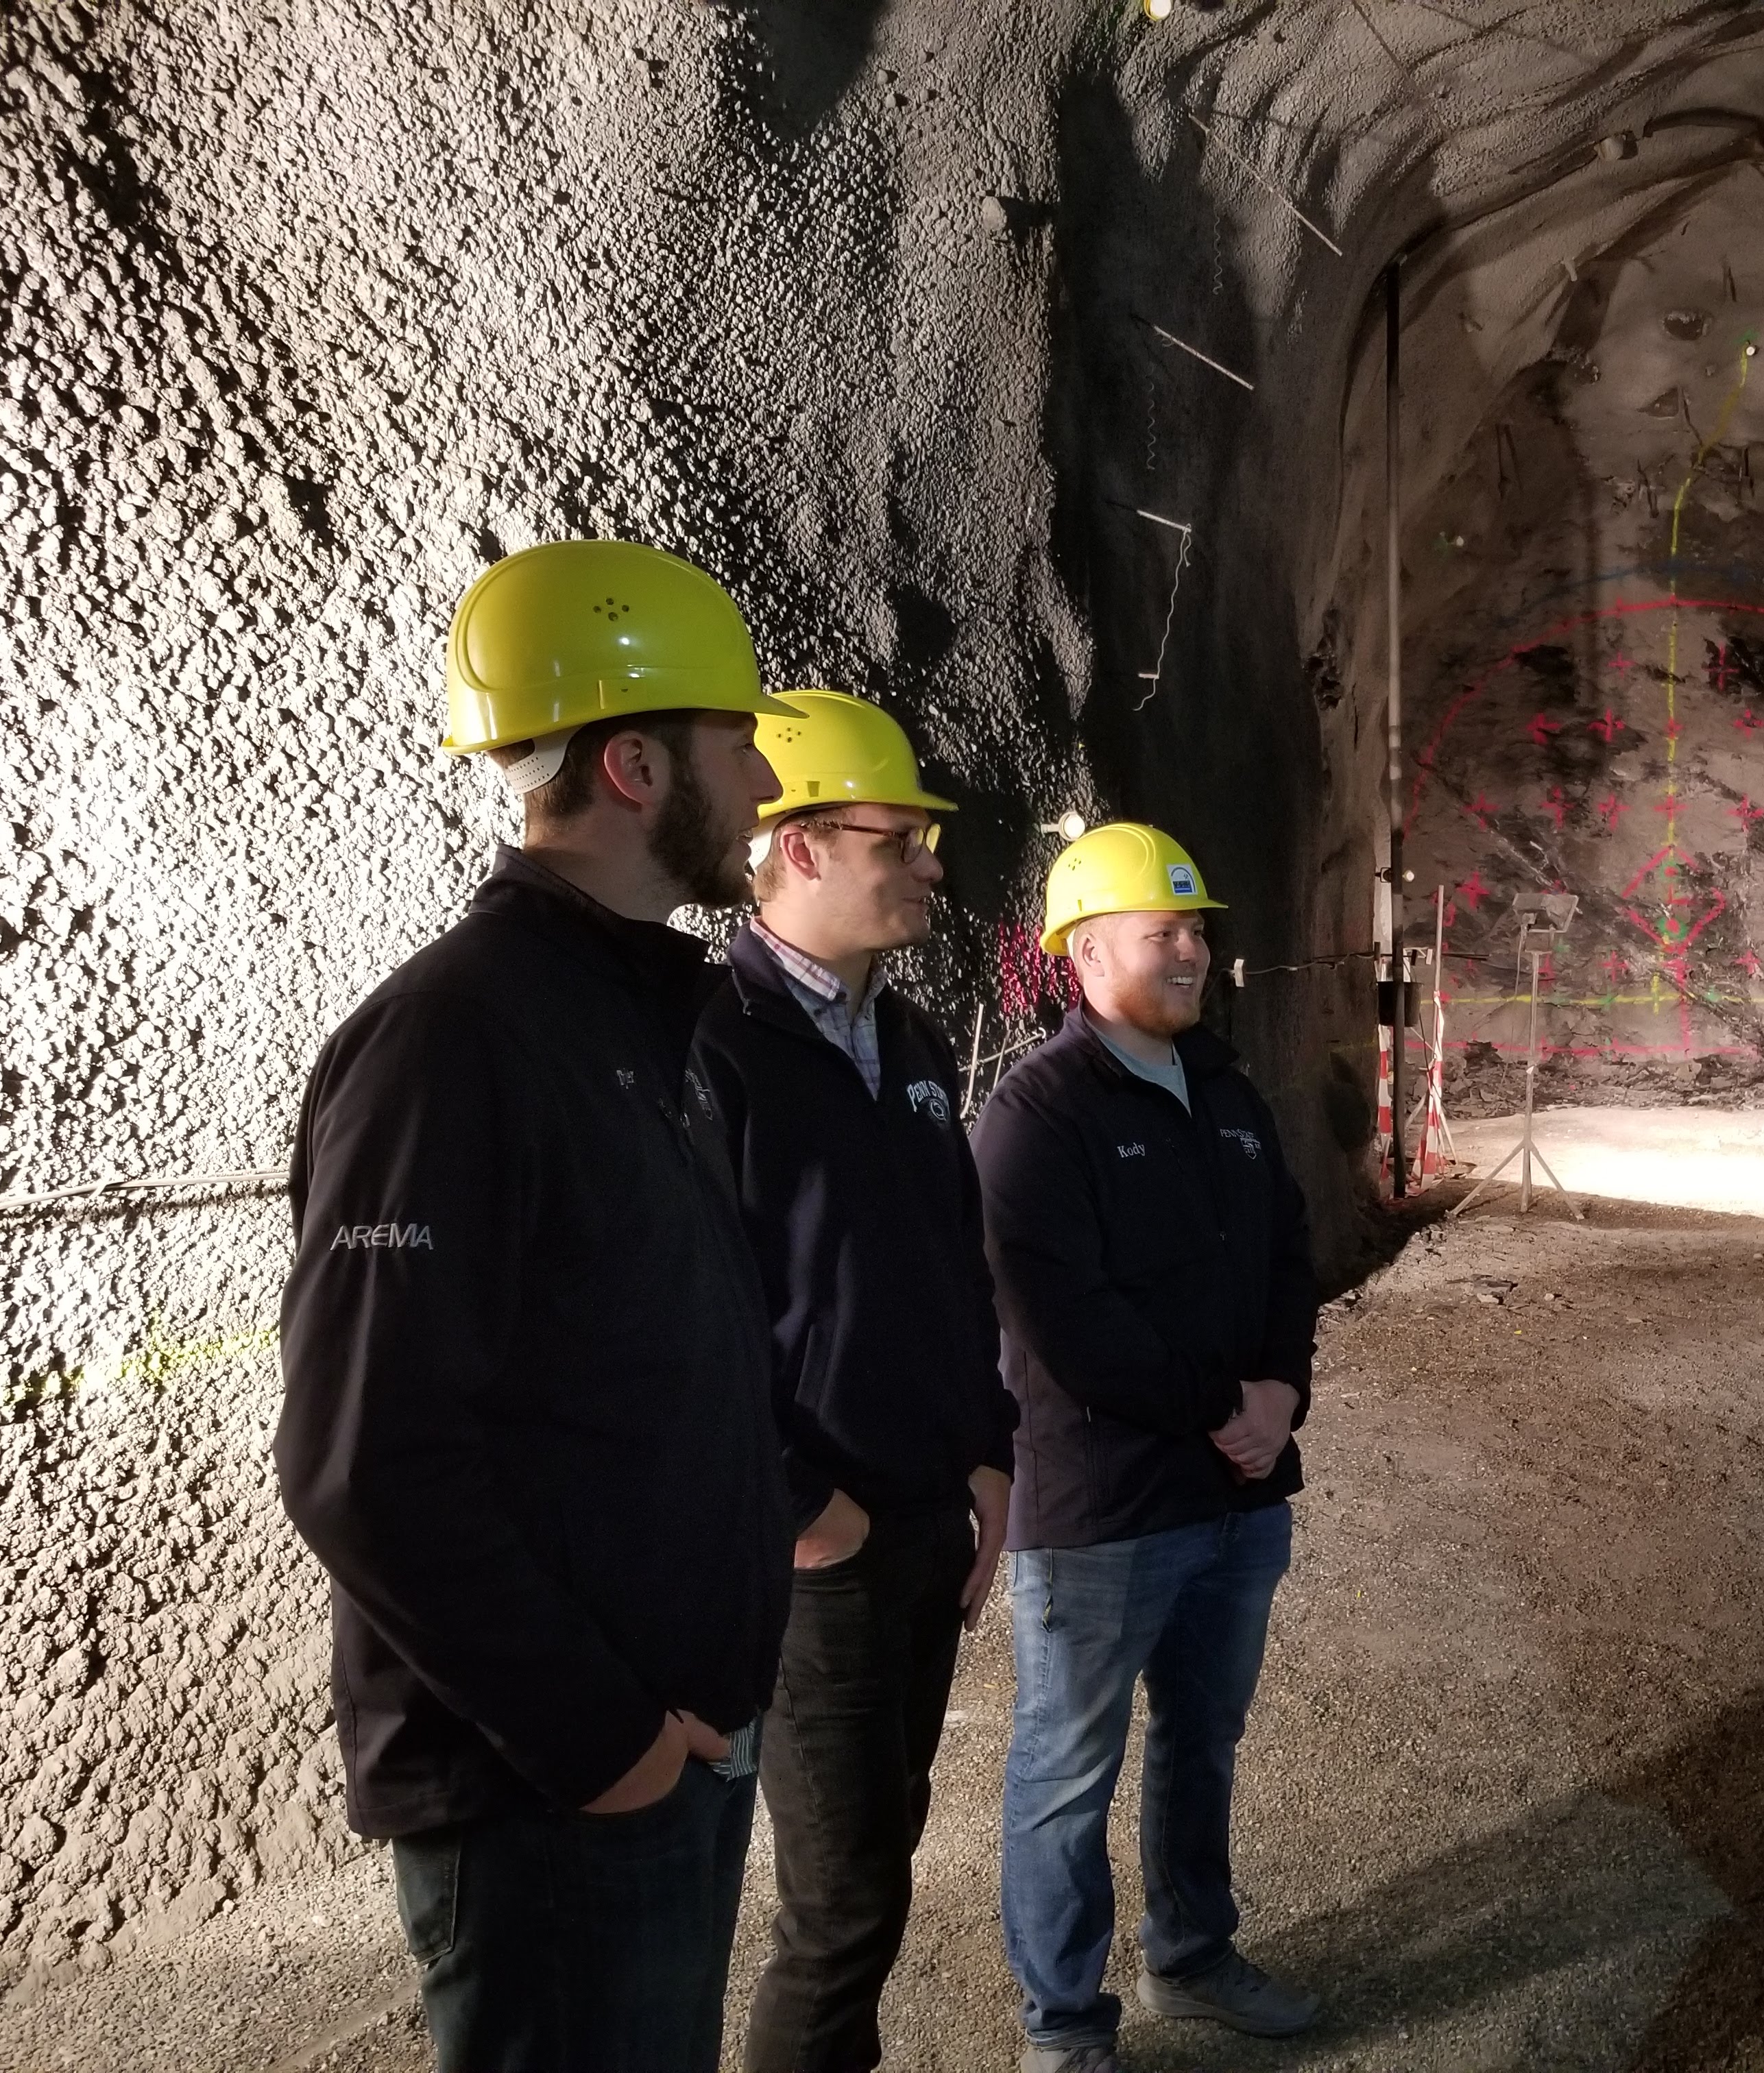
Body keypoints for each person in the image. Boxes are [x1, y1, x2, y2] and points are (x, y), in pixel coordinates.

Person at [275, 538, 800, 2073]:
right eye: (739, 738)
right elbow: (363, 1462)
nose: (767, 779)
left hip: (669, 1748)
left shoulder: (646, 1022)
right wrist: (609, 1747)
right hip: (557, 1791)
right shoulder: (452, 1042)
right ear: (636, 765)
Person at [692, 688, 1020, 2073]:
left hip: (927, 1518)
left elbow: (951, 1269)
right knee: (839, 1911)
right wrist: (796, 1512)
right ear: (802, 845)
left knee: (885, 1843)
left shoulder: (915, 1046)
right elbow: (679, 1320)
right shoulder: (713, 1049)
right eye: (905, 837)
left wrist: (989, 1455)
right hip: (816, 1551)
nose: (933, 865)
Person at [971, 822, 1320, 2073]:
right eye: (1164, 932)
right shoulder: (1035, 1114)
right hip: (1107, 1506)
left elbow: (1289, 1250)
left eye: (1199, 929)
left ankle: (1192, 1952)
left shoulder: (1225, 1090)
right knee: (1068, 1767)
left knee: (1199, 1739)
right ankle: (1062, 2025)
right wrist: (1224, 1407)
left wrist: (1281, 1389)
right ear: (1083, 950)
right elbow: (1061, 1320)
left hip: (1237, 1493)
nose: (1195, 951)